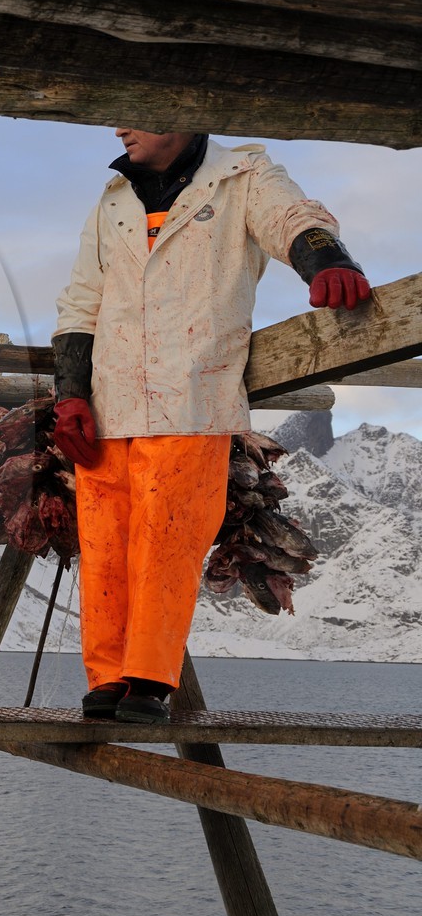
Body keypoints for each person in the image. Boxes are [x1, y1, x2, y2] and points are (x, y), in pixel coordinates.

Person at [51, 128, 371, 724]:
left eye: (134, 114)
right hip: (108, 401)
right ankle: (106, 678)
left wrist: (326, 256)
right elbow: (82, 300)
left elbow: (294, 217)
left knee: (168, 540)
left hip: (192, 396)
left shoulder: (242, 175)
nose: (119, 127)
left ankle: (147, 682)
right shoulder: (113, 198)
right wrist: (70, 393)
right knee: (104, 547)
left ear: (180, 113)